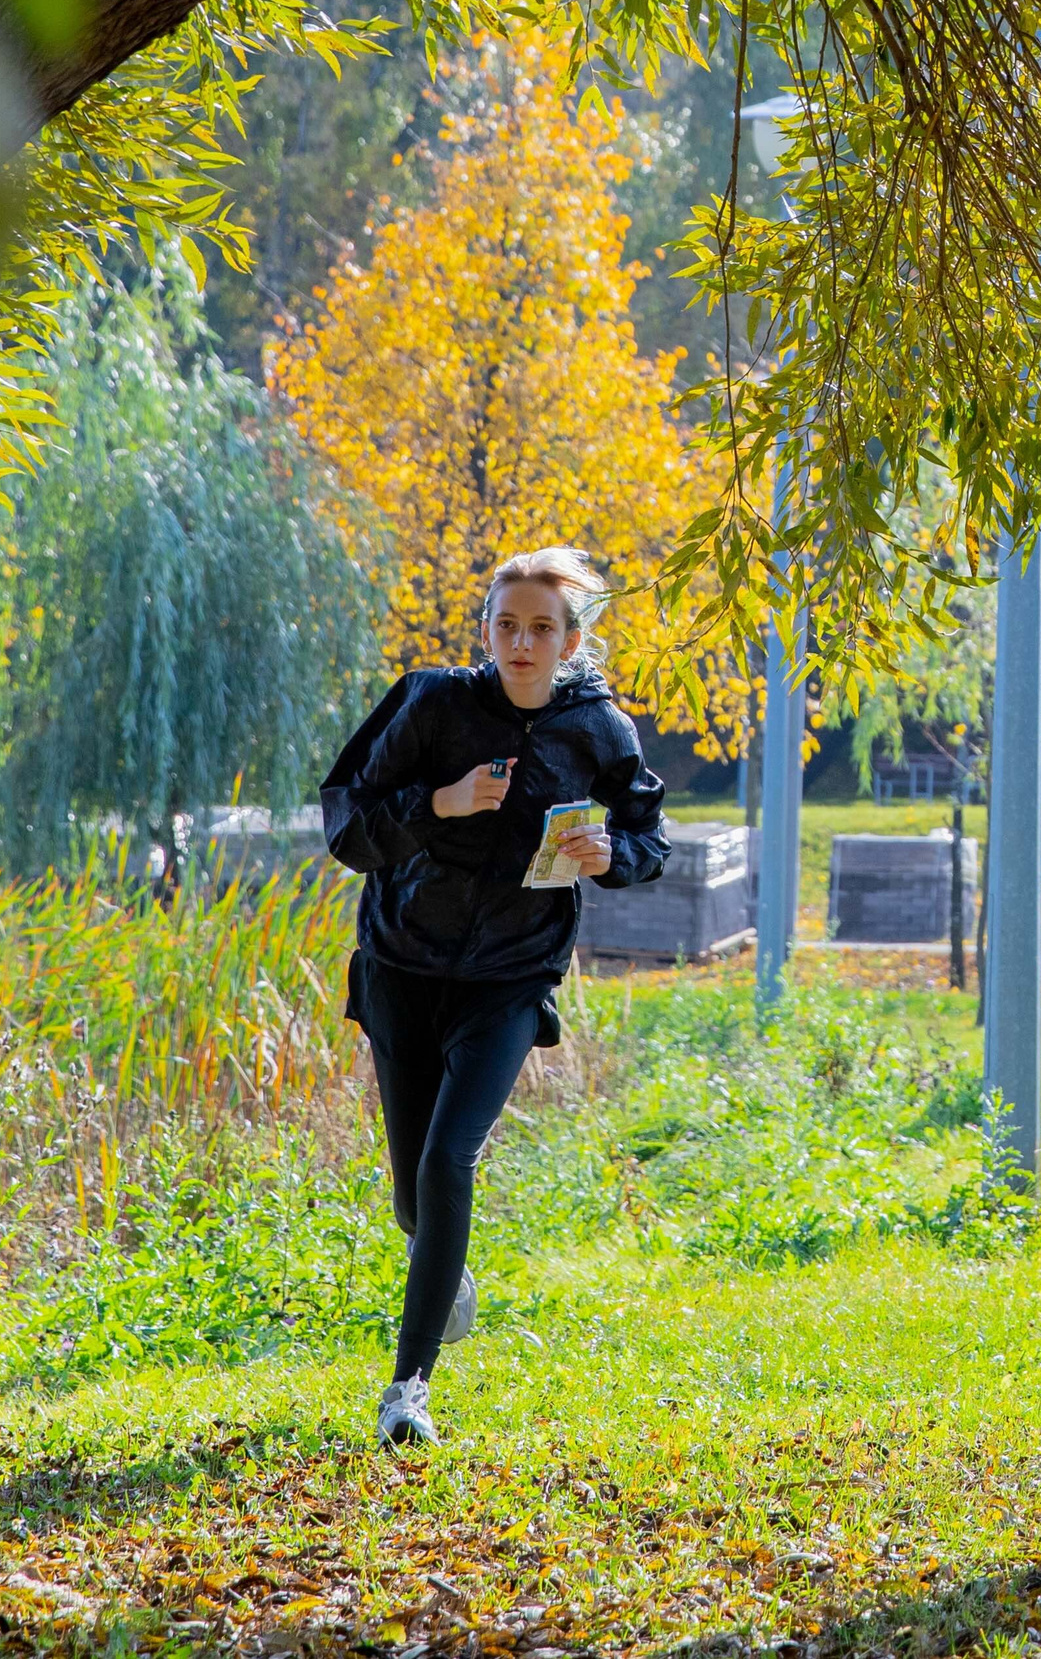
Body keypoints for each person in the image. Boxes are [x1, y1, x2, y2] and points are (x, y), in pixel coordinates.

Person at [321, 547, 668, 1448]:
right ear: (486, 630)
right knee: (414, 1196)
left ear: (571, 642)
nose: (522, 642)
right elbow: (348, 827)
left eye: (542, 629)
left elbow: (647, 839)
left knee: (449, 1162)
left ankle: (407, 1391)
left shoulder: (599, 731)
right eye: (507, 625)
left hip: (512, 976)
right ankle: (441, 1263)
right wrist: (440, 802)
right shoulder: (430, 703)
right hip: (402, 967)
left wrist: (613, 855)